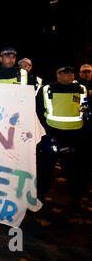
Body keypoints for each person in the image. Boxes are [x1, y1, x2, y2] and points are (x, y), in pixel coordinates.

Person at [36, 66, 89, 209]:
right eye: (65, 73)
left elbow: (86, 109)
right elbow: (39, 111)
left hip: (75, 136)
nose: (69, 76)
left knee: (74, 170)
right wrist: (46, 131)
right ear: (58, 75)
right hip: (52, 135)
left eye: (71, 73)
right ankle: (40, 196)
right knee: (45, 169)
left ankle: (76, 198)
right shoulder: (47, 89)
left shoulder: (81, 89)